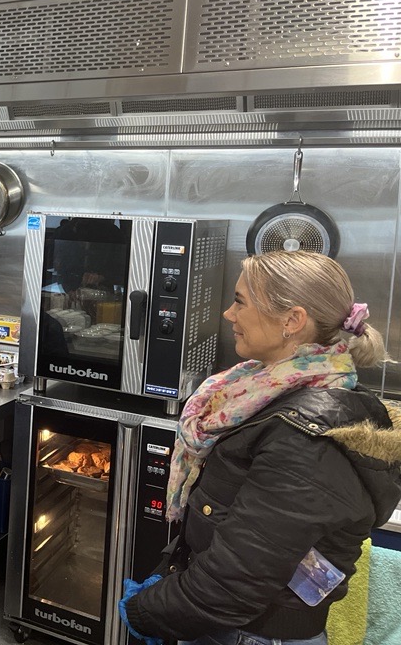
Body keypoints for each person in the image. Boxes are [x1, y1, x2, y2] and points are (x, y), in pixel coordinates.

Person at [120, 250, 401, 645]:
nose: (228, 315)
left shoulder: (305, 434)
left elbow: (234, 585)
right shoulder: (265, 389)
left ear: (292, 321)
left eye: (239, 302)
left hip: (249, 634)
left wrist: (145, 611)